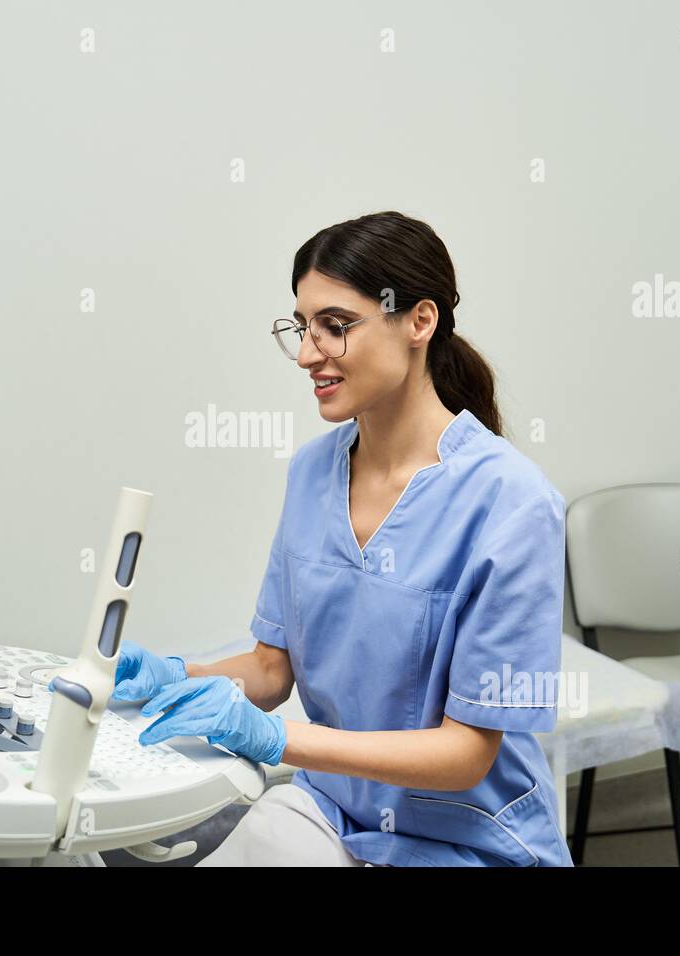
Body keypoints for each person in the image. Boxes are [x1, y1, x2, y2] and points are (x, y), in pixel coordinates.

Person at [115, 211, 572, 867]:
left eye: (335, 326)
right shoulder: (312, 473)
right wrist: (173, 676)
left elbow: (467, 753)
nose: (306, 354)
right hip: (332, 811)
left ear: (420, 321)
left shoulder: (512, 504)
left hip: (465, 841)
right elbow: (273, 669)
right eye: (301, 329)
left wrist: (274, 737)